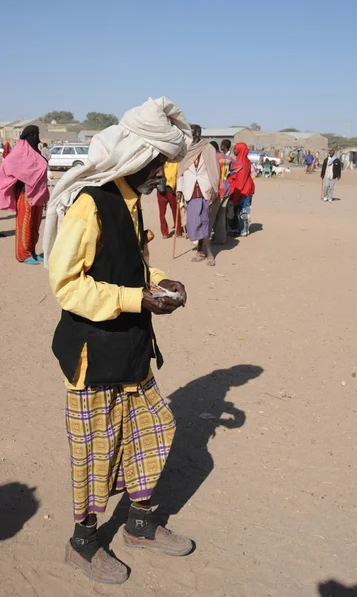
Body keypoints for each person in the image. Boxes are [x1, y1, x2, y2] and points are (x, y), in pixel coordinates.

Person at [45, 97, 193, 585]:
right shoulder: (92, 204)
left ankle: (140, 525)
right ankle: (83, 545)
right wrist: (137, 300)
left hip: (130, 347)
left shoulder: (131, 204)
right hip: (94, 353)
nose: (162, 175)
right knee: (96, 449)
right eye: (159, 164)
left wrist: (165, 284)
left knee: (154, 427)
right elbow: (66, 285)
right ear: (137, 156)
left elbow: (134, 267)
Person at [0, 125, 49, 264]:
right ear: (28, 136)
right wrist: (22, 178)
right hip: (25, 193)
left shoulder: (35, 151)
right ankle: (23, 254)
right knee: (25, 223)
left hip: (38, 193)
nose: (36, 137)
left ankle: (32, 251)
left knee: (35, 223)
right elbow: (8, 165)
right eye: (34, 135)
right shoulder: (19, 151)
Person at [176, 125, 220, 266]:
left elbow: (214, 170)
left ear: (198, 134)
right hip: (190, 190)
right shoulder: (185, 149)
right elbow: (181, 172)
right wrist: (179, 190)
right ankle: (200, 250)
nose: (191, 137)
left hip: (205, 190)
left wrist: (214, 187)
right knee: (194, 222)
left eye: (194, 135)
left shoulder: (208, 148)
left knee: (204, 221)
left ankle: (208, 253)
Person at [209, 141, 241, 244]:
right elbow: (239, 167)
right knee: (222, 215)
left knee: (211, 215)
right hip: (227, 187)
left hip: (217, 188)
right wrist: (228, 174)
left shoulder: (214, 158)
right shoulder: (227, 157)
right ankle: (221, 238)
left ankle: (205, 239)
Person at [229, 143, 255, 237]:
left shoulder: (240, 163)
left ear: (240, 150)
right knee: (245, 210)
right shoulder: (246, 161)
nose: (234, 151)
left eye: (235, 149)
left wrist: (235, 194)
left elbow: (240, 180)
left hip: (242, 190)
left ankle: (240, 229)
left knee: (240, 210)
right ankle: (245, 229)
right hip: (249, 188)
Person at [156, 161, 182, 238]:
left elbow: (178, 176)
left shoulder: (175, 163)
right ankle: (164, 232)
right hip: (161, 189)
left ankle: (178, 231)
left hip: (171, 189)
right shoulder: (159, 162)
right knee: (162, 213)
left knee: (175, 211)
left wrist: (178, 190)